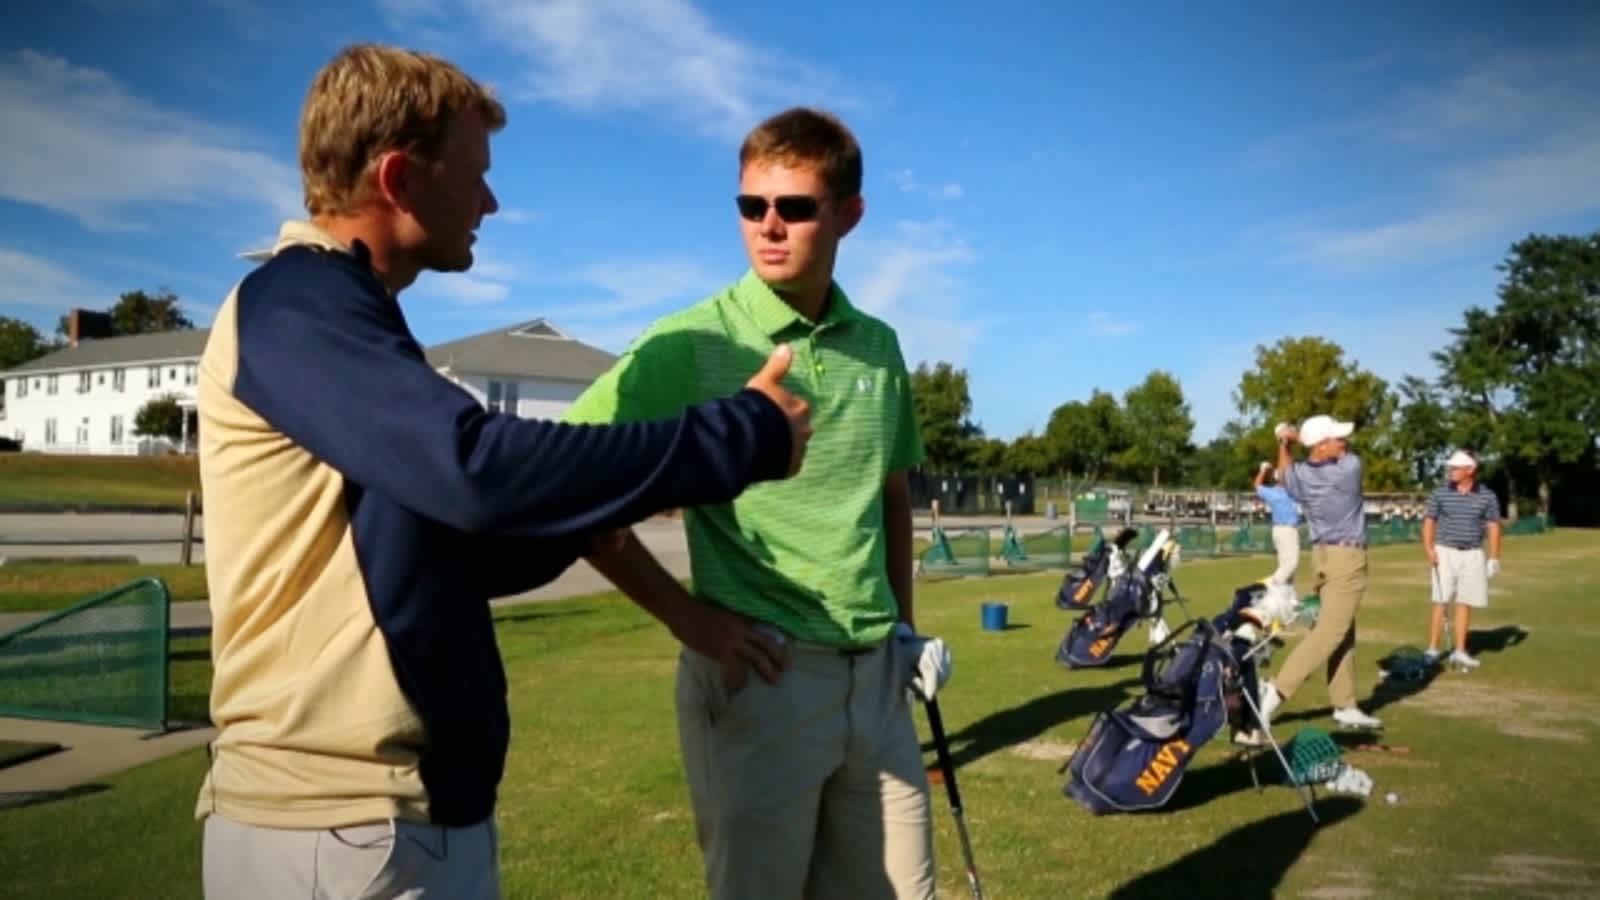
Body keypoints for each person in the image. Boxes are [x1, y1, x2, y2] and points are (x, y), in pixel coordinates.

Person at [194, 44, 813, 900]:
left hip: (388, 821)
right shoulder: (297, 305)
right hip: (333, 826)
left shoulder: (355, 325)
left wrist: (580, 516)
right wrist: (740, 436)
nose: (489, 202)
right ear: (399, 179)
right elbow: (478, 468)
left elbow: (449, 551)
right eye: (475, 175)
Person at [561, 106, 946, 900]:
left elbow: (891, 494)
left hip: (877, 679)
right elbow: (568, 478)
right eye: (751, 205)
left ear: (849, 215)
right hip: (764, 679)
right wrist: (688, 619)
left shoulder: (879, 346)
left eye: (795, 206)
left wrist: (904, 630)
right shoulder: (689, 342)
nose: (768, 225)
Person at [1257, 415, 1383, 732]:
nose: (1344, 443)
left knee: (1342, 629)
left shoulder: (1300, 475)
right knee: (1329, 633)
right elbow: (1296, 464)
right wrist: (1297, 438)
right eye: (1337, 438)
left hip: (1322, 557)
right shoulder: (1348, 468)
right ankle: (1274, 692)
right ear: (1321, 446)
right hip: (1346, 559)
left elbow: (1285, 471)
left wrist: (1284, 442)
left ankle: (1345, 704)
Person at [1422, 449, 1503, 669]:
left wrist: (1494, 557)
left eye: (1456, 467)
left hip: (1473, 553)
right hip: (1445, 551)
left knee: (1465, 602)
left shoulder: (1487, 496)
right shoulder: (1440, 493)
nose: (1452, 470)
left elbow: (1493, 526)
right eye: (1451, 467)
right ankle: (1432, 650)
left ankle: (1459, 651)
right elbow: (1429, 521)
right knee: (1441, 600)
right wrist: (1428, 548)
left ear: (1470, 469)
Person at [1253, 460, 1301, 587]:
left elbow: (1257, 485)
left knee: (1285, 566)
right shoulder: (1286, 492)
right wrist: (1264, 470)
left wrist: (1263, 470)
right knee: (1291, 564)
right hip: (1287, 530)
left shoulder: (1274, 492)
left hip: (1279, 530)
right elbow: (1257, 486)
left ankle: (1286, 594)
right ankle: (1271, 585)